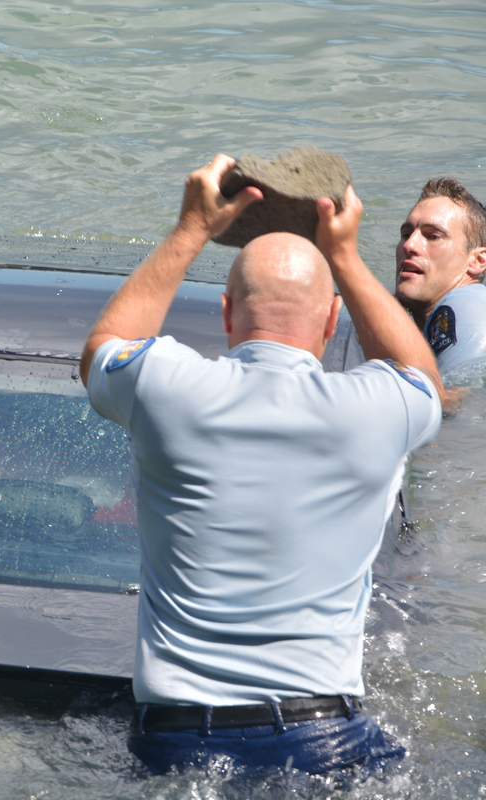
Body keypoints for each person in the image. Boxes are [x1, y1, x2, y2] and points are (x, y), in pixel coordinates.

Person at [80, 154, 443, 776]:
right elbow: (421, 377)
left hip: (178, 739)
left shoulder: (164, 387)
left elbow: (101, 351)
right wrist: (347, 259)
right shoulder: (377, 409)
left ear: (226, 315)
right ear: (333, 320)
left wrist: (190, 229)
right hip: (324, 735)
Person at [394, 177, 486, 373]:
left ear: (478, 261)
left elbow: (454, 399)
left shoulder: (471, 306)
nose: (409, 245)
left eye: (433, 236)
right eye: (406, 234)